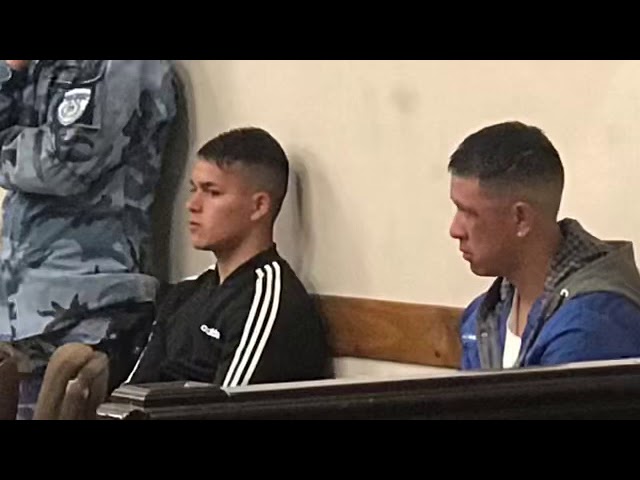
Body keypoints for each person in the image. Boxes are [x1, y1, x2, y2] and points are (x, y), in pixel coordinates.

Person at [0, 60, 177, 418]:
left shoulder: (117, 66)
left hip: (89, 311)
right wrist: (10, 70)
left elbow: (60, 167)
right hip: (22, 311)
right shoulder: (42, 66)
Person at [126, 127, 332, 387]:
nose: (193, 205)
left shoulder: (267, 300)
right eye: (193, 189)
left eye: (212, 192)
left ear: (259, 206)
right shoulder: (186, 293)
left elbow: (228, 404)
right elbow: (132, 395)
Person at [448, 121, 640, 370]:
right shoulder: (483, 318)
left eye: (469, 213)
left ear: (521, 219)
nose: (455, 230)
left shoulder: (590, 325)